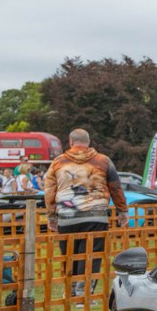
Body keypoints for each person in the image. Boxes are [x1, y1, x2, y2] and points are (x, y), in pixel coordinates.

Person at [44, 129, 128, 300]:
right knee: (92, 255)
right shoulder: (103, 161)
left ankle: (70, 290)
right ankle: (84, 293)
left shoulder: (58, 162)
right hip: (95, 214)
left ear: (71, 142)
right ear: (88, 142)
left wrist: (52, 216)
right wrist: (122, 211)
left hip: (67, 215)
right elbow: (115, 187)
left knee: (70, 254)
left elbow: (49, 190)